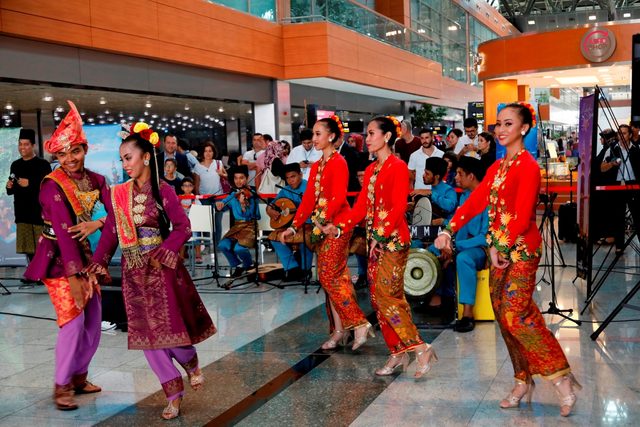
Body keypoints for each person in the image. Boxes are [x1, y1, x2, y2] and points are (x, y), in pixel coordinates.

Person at [434, 103, 581, 417]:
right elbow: (475, 200)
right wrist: (449, 228)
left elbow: (524, 213)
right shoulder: (497, 167)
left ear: (524, 128)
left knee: (516, 315)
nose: (501, 130)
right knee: (504, 319)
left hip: (521, 251)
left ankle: (561, 379)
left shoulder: (528, 166)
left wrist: (501, 245)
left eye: (508, 124)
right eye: (498, 124)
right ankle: (522, 379)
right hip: (497, 251)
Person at [88, 122, 216, 420]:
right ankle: (173, 394)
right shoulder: (117, 195)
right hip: (134, 273)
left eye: (128, 157)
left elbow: (183, 227)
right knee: (147, 339)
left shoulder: (164, 191)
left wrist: (166, 250)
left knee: (172, 333)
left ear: (146, 157)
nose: (124, 164)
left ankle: (191, 361)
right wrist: (99, 261)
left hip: (161, 269)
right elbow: (111, 231)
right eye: (121, 159)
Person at [327, 116, 437, 378]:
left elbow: (399, 205)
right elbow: (362, 207)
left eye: (372, 133)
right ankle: (397, 351)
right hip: (375, 242)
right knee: (377, 300)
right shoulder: (374, 169)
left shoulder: (397, 167)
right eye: (367, 134)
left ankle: (420, 348)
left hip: (393, 242)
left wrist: (379, 233)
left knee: (389, 298)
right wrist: (341, 226)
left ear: (387, 137)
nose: (367, 138)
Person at [24, 101, 109, 411]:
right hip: (59, 261)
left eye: (75, 150)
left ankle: (78, 377)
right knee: (73, 322)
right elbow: (63, 232)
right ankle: (61, 384)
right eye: (62, 154)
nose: (70, 159)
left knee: (94, 322)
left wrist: (98, 223)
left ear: (84, 148)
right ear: (56, 157)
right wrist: (74, 277)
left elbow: (115, 215)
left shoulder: (98, 180)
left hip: (87, 260)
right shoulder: (51, 186)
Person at [280, 116, 371, 351]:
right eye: (313, 134)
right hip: (323, 228)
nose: (314, 139)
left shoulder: (339, 162)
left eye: (318, 134)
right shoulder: (319, 165)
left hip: (337, 228)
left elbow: (339, 197)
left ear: (331, 136)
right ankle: (340, 330)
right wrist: (293, 225)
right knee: (333, 279)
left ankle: (359, 323)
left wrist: (320, 221)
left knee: (329, 277)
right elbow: (309, 198)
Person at [449, 157, 488, 333]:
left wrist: (457, 246)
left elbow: (486, 237)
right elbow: (459, 227)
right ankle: (438, 302)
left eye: (459, 174)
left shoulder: (488, 198)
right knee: (431, 251)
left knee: (464, 258)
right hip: (463, 243)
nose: (456, 177)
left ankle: (467, 314)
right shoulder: (464, 196)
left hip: (482, 249)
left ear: (471, 176)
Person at [6, 128, 51, 264]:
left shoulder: (43, 164)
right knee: (27, 247)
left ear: (33, 146)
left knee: (42, 245)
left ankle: (43, 274)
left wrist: (30, 183)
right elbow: (11, 190)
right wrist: (9, 186)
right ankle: (32, 273)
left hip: (39, 213)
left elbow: (49, 187)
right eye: (20, 144)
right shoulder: (16, 165)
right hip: (22, 213)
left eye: (26, 144)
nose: (22, 147)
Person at [267, 163, 313, 281]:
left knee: (304, 239)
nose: (290, 181)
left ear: (300, 175)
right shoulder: (285, 189)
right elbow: (272, 205)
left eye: (293, 177)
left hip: (308, 224)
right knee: (274, 237)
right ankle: (292, 268)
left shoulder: (310, 187)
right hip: (289, 225)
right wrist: (270, 210)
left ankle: (305, 270)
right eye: (287, 178)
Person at [599, 124, 640, 254]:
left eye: (625, 133)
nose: (622, 136)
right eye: (620, 133)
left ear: (630, 135)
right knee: (618, 216)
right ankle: (619, 246)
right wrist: (611, 163)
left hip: (633, 185)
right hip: (617, 186)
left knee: (637, 215)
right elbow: (602, 168)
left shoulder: (636, 149)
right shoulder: (611, 149)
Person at [216, 165, 259, 277]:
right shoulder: (233, 194)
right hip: (237, 227)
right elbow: (224, 204)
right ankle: (238, 265)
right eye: (236, 178)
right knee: (222, 245)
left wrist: (243, 205)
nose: (238, 181)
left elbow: (252, 214)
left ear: (247, 178)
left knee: (239, 248)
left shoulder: (252, 194)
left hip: (250, 226)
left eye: (241, 178)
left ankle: (249, 265)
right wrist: (220, 205)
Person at [194, 141, 226, 244]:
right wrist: (198, 198)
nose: (208, 153)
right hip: (204, 198)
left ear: (213, 152)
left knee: (217, 222)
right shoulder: (197, 167)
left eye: (210, 151)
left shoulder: (218, 163)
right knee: (206, 223)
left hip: (218, 197)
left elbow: (228, 178)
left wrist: (222, 174)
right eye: (205, 151)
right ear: (202, 153)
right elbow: (196, 184)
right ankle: (207, 244)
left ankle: (217, 245)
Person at [408, 128, 444, 195]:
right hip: (419, 191)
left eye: (427, 137)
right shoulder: (414, 155)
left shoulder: (441, 154)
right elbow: (410, 172)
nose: (424, 141)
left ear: (432, 137)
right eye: (422, 138)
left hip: (438, 192)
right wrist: (418, 179)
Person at [179, 177, 202, 263]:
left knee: (196, 234)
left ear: (192, 187)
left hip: (194, 223)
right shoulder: (179, 198)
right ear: (182, 188)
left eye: (189, 186)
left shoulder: (195, 198)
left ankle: (198, 255)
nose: (187, 188)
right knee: (181, 234)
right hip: (183, 224)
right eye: (185, 186)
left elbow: (199, 210)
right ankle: (181, 256)